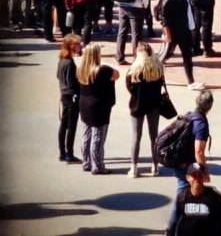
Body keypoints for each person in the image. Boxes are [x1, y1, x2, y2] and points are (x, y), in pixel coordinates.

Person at [158, 0, 205, 91]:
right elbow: (163, 17)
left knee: (187, 55)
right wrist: (167, 33)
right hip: (173, 32)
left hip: (184, 31)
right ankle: (148, 74)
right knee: (164, 56)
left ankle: (191, 82)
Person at [78, 42, 119, 174]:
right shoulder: (102, 70)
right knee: (98, 136)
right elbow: (117, 74)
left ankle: (86, 162)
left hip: (84, 103)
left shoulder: (81, 69)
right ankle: (98, 166)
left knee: (86, 135)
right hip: (99, 106)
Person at [125, 42, 165, 178]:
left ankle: (134, 168)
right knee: (154, 136)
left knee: (136, 136)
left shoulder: (134, 71)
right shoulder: (158, 69)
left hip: (137, 106)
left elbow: (129, 88)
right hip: (154, 105)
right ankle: (155, 166)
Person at [57, 34, 84, 163]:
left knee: (63, 124)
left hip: (64, 95)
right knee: (71, 126)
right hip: (72, 96)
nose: (80, 46)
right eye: (78, 44)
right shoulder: (69, 63)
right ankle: (69, 153)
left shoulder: (62, 60)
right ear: (72, 46)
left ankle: (62, 152)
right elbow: (71, 82)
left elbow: (59, 77)